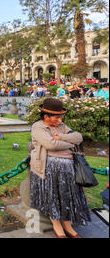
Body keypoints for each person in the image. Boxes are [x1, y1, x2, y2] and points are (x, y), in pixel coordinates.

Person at [30, 98, 90, 238]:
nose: (60, 119)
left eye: (61, 116)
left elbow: (78, 137)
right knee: (53, 197)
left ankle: (67, 224)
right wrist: (69, 144)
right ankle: (57, 226)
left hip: (68, 169)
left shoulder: (61, 126)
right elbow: (51, 145)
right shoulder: (38, 127)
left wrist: (60, 137)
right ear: (46, 116)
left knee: (66, 197)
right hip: (48, 169)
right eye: (57, 117)